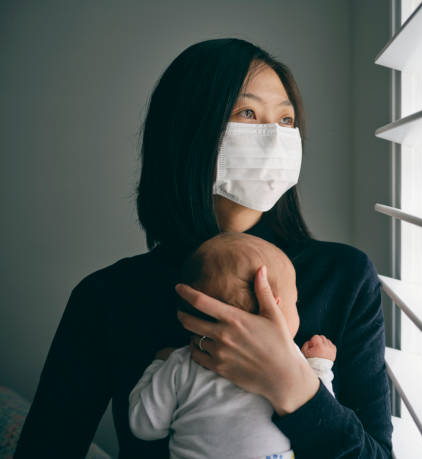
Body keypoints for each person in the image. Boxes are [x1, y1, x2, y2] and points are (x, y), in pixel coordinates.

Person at [15, 38, 392, 458]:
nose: (274, 134)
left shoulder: (345, 276)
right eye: (248, 113)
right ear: (189, 129)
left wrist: (293, 384)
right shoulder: (107, 297)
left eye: (286, 120)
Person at [128, 232, 337, 459]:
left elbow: (145, 426)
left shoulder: (181, 364)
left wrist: (159, 363)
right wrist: (319, 365)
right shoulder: (292, 360)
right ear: (272, 306)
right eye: (295, 302)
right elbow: (323, 419)